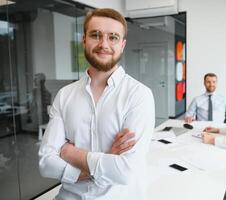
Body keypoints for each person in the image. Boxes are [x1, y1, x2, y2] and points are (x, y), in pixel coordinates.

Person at [39, 8, 155, 200]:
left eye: (113, 37)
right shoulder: (64, 95)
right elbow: (46, 163)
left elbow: (125, 171)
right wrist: (104, 161)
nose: (104, 44)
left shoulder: (139, 95)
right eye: (96, 35)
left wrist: (70, 153)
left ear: (123, 44)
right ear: (84, 39)